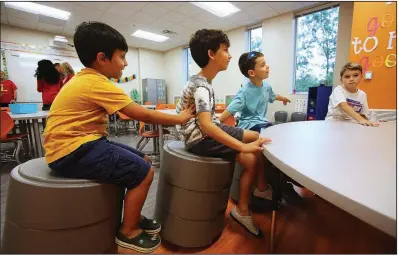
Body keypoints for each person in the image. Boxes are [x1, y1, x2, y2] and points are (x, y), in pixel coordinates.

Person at [42, 21, 194, 253]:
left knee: (143, 160)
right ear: (102, 58)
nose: (125, 63)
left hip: (78, 143)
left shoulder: (85, 79)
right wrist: (181, 118)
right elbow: (140, 113)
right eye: (122, 57)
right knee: (145, 172)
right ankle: (128, 231)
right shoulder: (97, 82)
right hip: (71, 150)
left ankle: (133, 215)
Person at [176, 29, 272, 237]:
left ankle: (262, 189)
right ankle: (243, 210)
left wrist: (244, 140)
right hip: (199, 138)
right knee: (250, 159)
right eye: (226, 50)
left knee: (257, 137)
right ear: (212, 54)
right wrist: (240, 146)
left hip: (207, 129)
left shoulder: (202, 82)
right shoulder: (201, 86)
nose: (229, 55)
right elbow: (206, 127)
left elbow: (210, 122)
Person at [218, 51, 303, 204]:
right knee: (264, 142)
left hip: (263, 123)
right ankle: (262, 186)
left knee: (282, 134)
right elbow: (230, 110)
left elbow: (272, 96)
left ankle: (287, 179)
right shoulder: (244, 92)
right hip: (249, 125)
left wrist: (283, 98)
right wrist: (215, 123)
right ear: (251, 72)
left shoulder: (266, 86)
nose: (267, 67)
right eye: (263, 65)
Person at [325, 62, 379, 127]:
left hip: (351, 124)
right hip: (334, 123)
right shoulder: (338, 90)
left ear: (361, 77)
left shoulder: (362, 94)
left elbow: (363, 114)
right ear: (341, 80)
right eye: (347, 77)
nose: (351, 79)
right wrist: (361, 120)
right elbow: (343, 106)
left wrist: (368, 122)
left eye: (355, 75)